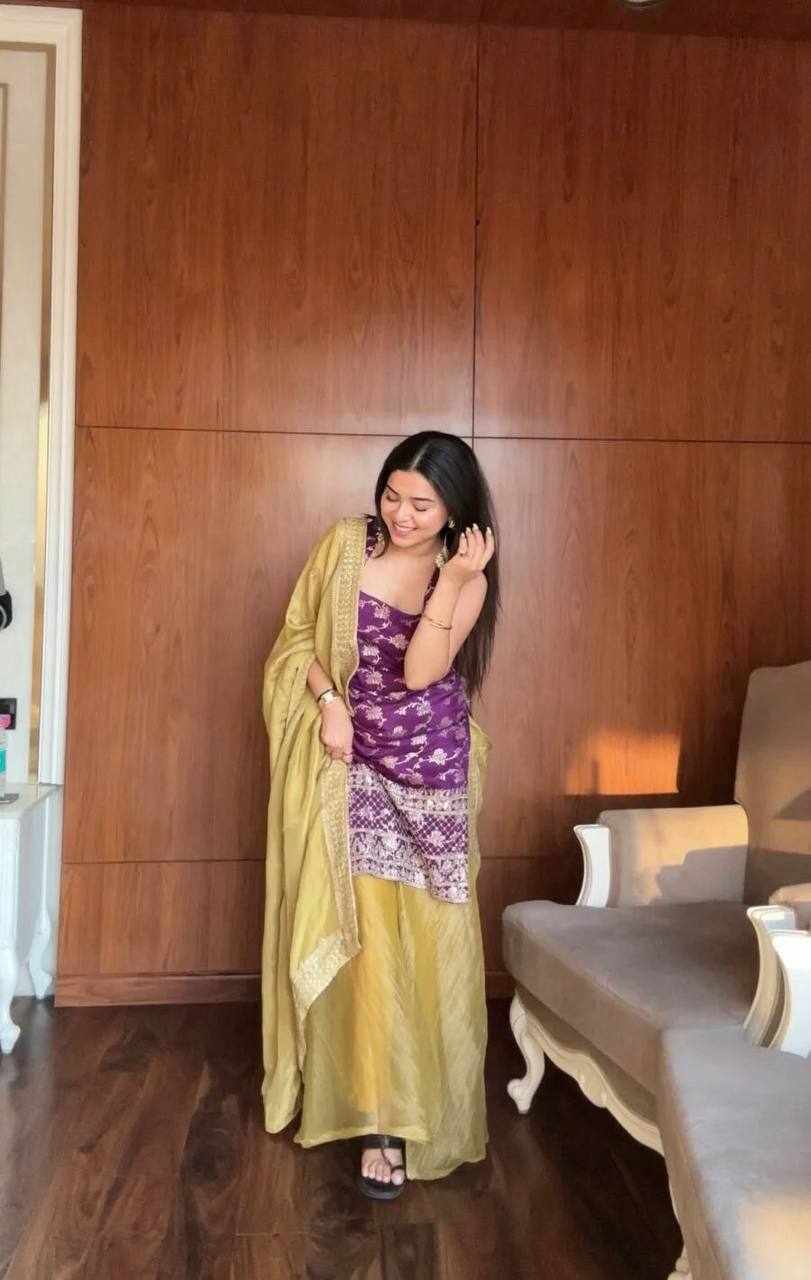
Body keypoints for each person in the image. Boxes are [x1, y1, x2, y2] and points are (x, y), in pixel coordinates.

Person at [260, 431, 500, 1198]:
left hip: (431, 777)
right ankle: (379, 1121)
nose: (400, 514)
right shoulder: (344, 547)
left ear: (455, 510)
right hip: (352, 764)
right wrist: (329, 702)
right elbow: (298, 639)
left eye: (421, 505)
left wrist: (452, 579)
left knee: (426, 950)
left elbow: (422, 672)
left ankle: (420, 1105)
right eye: (392, 495)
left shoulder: (466, 577)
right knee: (363, 945)